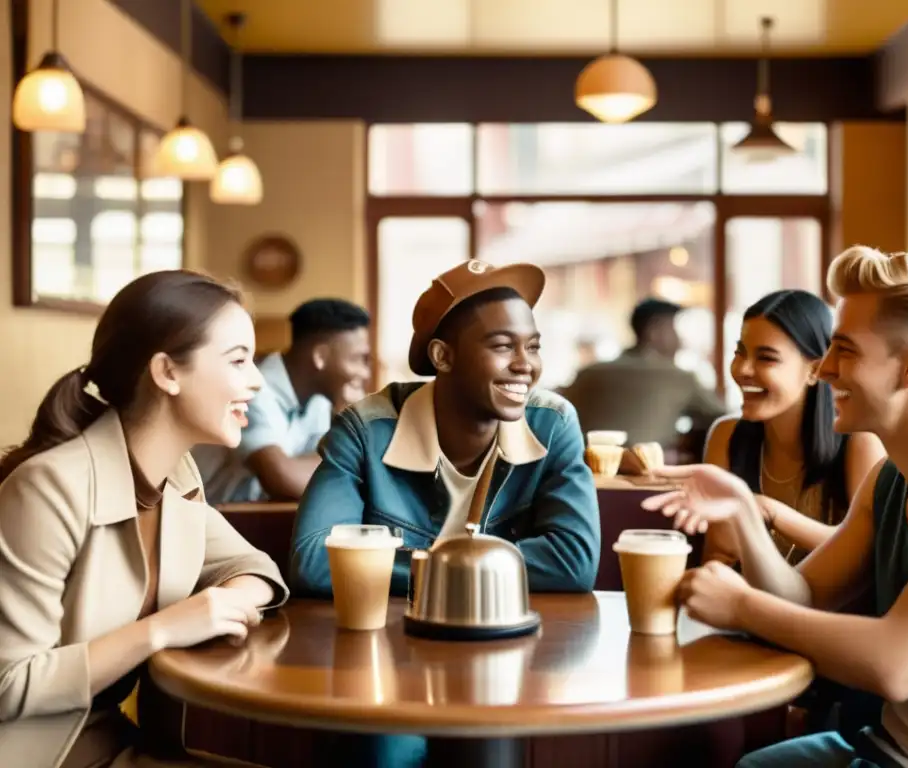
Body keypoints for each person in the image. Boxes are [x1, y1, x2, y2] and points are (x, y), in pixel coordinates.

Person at [645, 246, 908, 767]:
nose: (823, 370)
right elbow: (804, 596)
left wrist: (742, 606)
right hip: (882, 747)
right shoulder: (889, 478)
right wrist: (741, 511)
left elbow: (898, 663)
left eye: (844, 350)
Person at [0, 270, 289, 768]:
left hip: (109, 740)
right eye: (238, 360)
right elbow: (9, 685)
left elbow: (255, 566)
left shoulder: (176, 475)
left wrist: (226, 603)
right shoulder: (47, 488)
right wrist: (164, 629)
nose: (257, 379)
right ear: (167, 373)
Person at [291, 258, 601, 597]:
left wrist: (423, 566)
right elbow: (315, 561)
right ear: (442, 357)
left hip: (514, 636)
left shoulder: (553, 424)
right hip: (397, 640)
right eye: (502, 345)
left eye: (532, 347)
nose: (525, 364)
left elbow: (574, 563)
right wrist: (476, 566)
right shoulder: (365, 430)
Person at [698, 289, 885, 567]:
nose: (742, 369)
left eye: (766, 358)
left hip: (831, 610)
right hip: (745, 605)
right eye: (740, 353)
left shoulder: (858, 441)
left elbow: (871, 549)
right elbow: (718, 556)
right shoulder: (726, 436)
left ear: (815, 370)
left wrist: (768, 511)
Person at [194, 297, 371, 504]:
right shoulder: (252, 391)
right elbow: (283, 480)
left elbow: (335, 475)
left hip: (267, 519)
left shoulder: (321, 401)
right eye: (358, 359)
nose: (365, 373)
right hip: (220, 518)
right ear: (320, 357)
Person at [562, 297, 725, 450]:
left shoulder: (588, 373)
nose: (680, 341)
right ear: (654, 332)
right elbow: (725, 419)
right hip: (642, 474)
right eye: (673, 330)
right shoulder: (678, 378)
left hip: (574, 472)